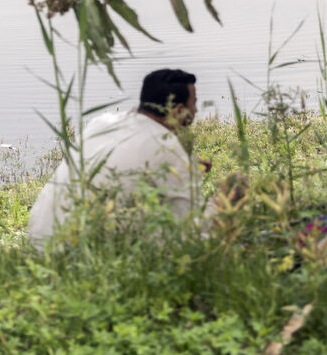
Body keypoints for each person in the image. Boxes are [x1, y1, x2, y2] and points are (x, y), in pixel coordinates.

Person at [27, 69, 214, 249]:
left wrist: (180, 161)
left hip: (41, 241)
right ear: (179, 109)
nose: (196, 110)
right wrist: (220, 204)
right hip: (82, 258)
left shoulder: (101, 123)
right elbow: (189, 233)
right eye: (194, 104)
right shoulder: (171, 152)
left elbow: (129, 152)